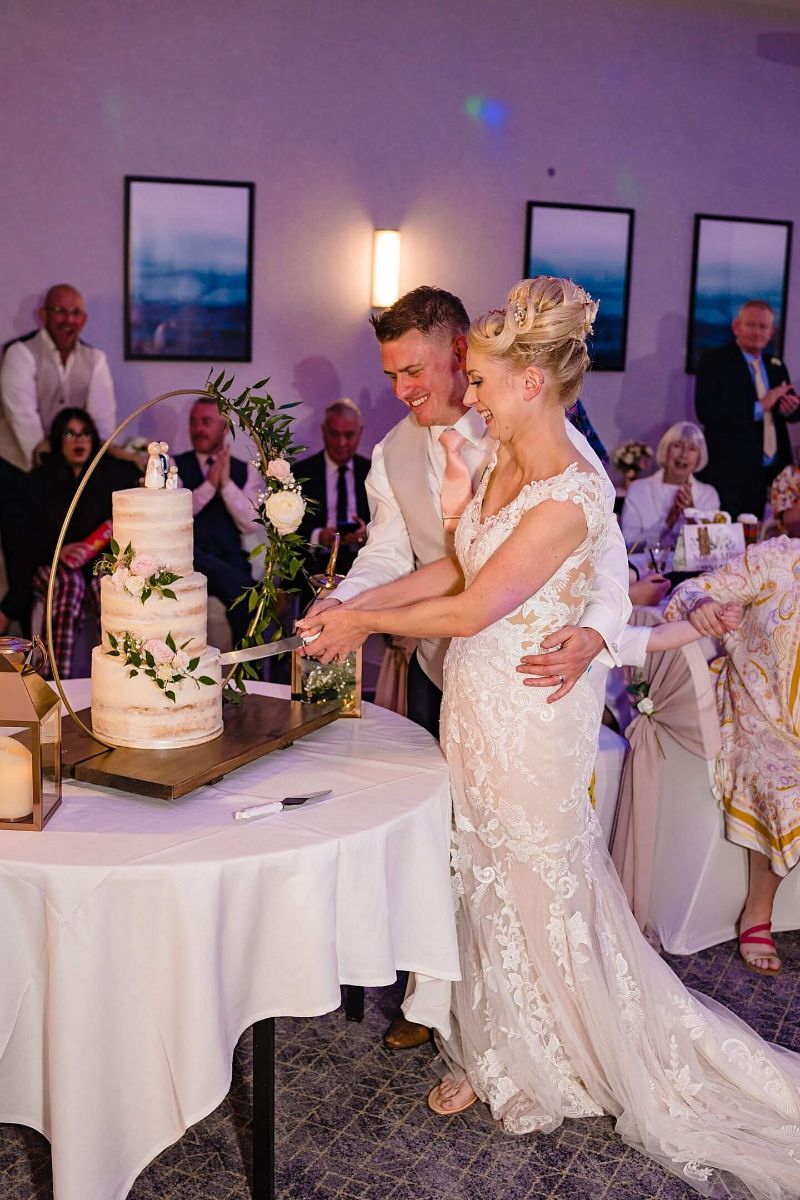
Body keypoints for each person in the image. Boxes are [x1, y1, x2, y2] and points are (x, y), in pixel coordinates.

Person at [299, 277, 800, 1197]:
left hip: (533, 710)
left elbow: (483, 601)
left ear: (529, 380)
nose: (470, 394)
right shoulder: (501, 456)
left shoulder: (574, 486)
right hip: (478, 701)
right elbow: (459, 558)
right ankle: (500, 1044)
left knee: (537, 875)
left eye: (481, 380)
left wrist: (364, 630)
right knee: (482, 874)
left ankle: (556, 1056)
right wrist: (360, 601)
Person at [309, 285, 630, 1050]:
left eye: (414, 370)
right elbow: (396, 554)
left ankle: (524, 1019)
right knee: (451, 842)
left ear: (462, 355)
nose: (402, 390)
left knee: (516, 853)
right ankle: (438, 1003)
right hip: (439, 665)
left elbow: (606, 546)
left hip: (525, 675)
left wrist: (596, 630)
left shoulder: (538, 435)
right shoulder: (391, 453)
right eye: (390, 375)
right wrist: (344, 606)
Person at [667, 534, 800, 977]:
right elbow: (687, 590)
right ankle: (757, 910)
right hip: (754, 711)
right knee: (786, 787)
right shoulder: (778, 558)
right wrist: (701, 605)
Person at [16, 408, 138, 678]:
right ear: (59, 440)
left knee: (106, 587)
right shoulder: (39, 482)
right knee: (70, 584)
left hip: (94, 566)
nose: (78, 441)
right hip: (52, 565)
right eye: (71, 434)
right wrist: (58, 551)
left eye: (84, 434)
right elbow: (23, 536)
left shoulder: (108, 478)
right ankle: (55, 680)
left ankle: (121, 676)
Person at [695, 299, 800, 518]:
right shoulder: (714, 361)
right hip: (729, 473)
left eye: (763, 327)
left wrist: (791, 410)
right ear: (736, 327)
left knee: (768, 543)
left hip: (773, 474)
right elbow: (707, 412)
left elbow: (788, 413)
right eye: (751, 325)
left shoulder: (776, 364)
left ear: (772, 332)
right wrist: (760, 406)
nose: (757, 332)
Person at [173, 398, 262, 648]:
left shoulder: (247, 471)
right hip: (190, 559)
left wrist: (226, 485)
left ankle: (241, 674)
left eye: (206, 422)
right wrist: (209, 486)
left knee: (240, 600)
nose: (197, 429)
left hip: (230, 557)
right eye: (193, 422)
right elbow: (176, 514)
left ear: (224, 428)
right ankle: (247, 591)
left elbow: (250, 523)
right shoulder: (173, 465)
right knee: (245, 591)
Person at [0, 284, 117, 473]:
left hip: (69, 472)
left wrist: (96, 467)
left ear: (84, 319)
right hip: (17, 469)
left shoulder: (96, 358)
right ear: (43, 315)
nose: (68, 319)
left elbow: (102, 421)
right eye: (59, 311)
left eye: (75, 312)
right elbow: (24, 420)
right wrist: (48, 471)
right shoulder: (20, 353)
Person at [294, 398, 370, 583]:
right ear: (323, 431)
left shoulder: (373, 471)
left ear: (360, 433)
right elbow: (285, 529)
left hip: (362, 561)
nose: (341, 443)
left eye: (349, 435)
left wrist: (366, 533)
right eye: (334, 434)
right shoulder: (300, 473)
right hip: (314, 561)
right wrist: (318, 536)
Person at [620, 422, 720, 548]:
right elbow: (627, 542)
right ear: (665, 451)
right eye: (677, 446)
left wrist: (692, 516)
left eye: (692, 449)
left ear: (699, 459)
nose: (683, 454)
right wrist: (667, 523)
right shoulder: (638, 490)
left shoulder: (708, 494)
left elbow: (714, 546)